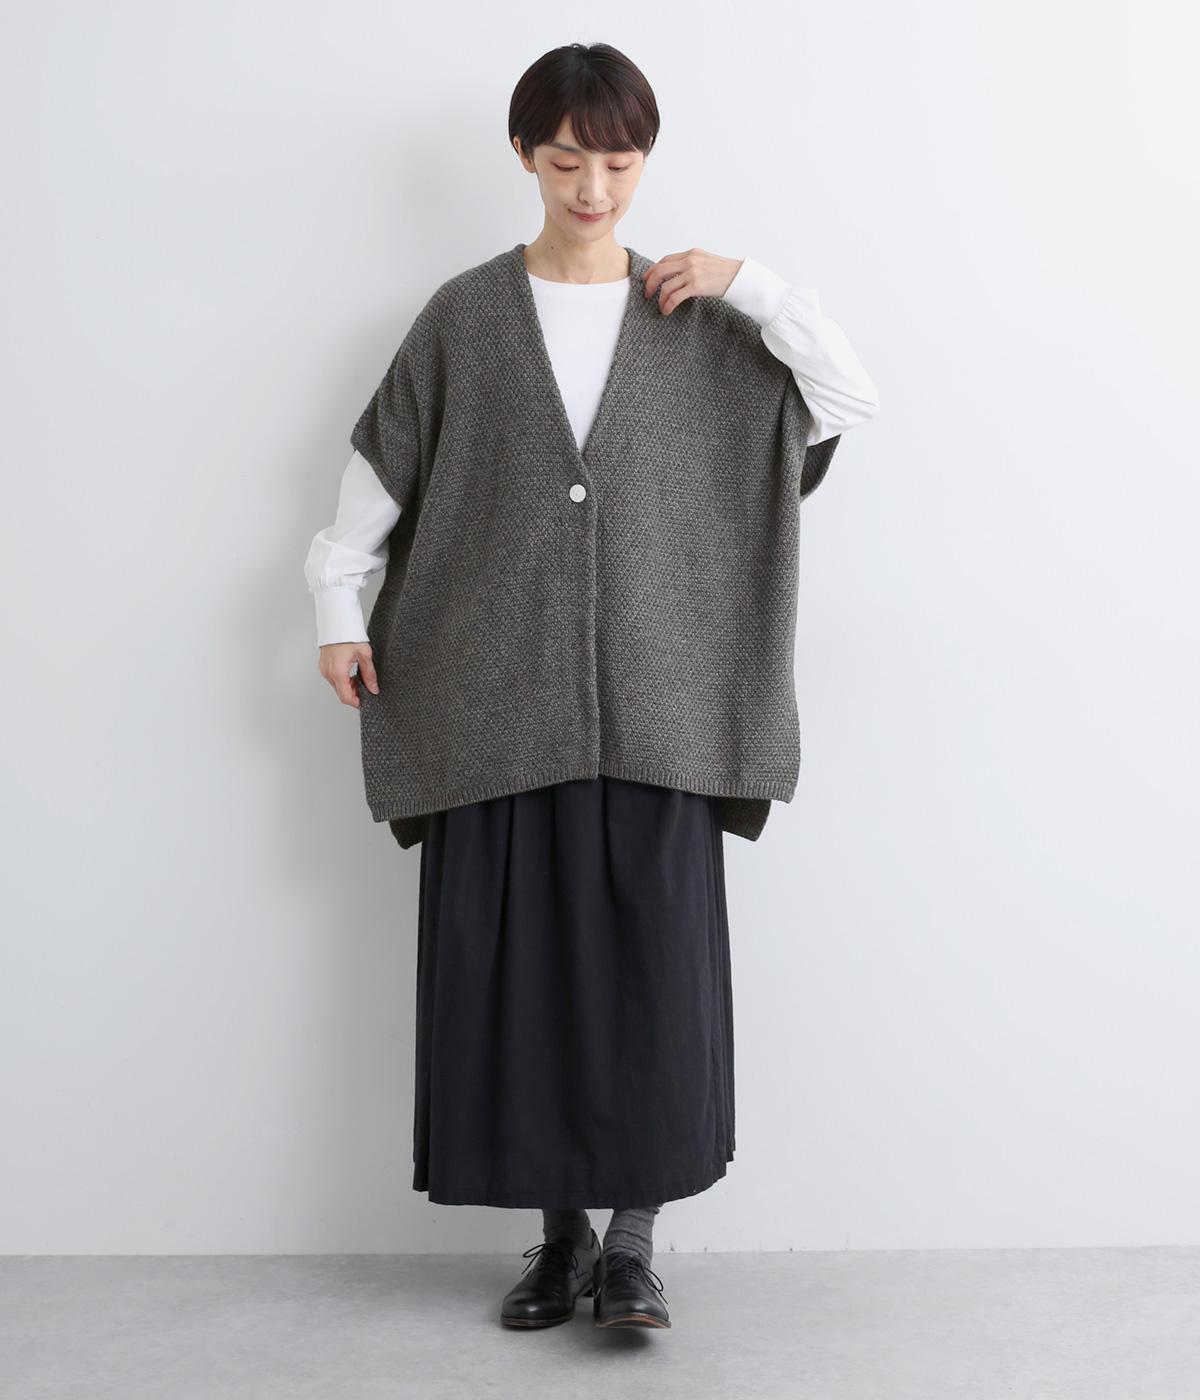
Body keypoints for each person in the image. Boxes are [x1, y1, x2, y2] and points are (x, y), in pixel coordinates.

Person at [304, 42, 879, 1332]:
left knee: (650, 980)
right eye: (567, 161)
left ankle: (632, 1245)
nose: (593, 189)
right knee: (515, 981)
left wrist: (751, 283)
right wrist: (338, 607)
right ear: (525, 155)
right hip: (491, 700)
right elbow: (382, 472)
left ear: (645, 160)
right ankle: (557, 1242)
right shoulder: (465, 317)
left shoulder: (698, 322)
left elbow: (847, 397)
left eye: (618, 163)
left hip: (662, 709)